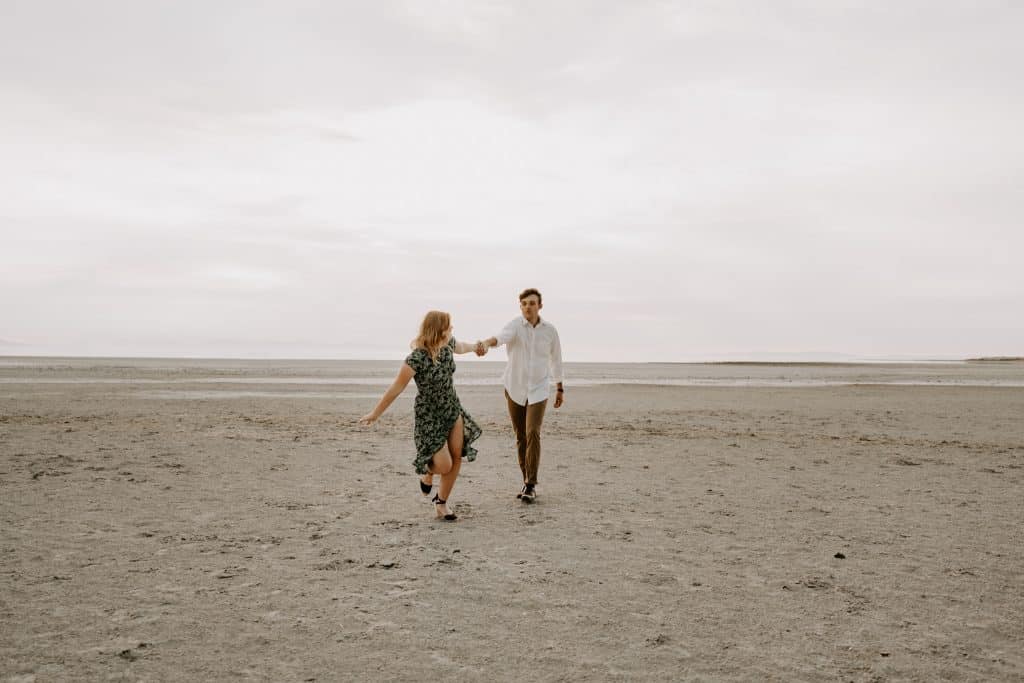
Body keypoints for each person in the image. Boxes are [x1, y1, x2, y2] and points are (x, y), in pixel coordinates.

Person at [359, 311, 482, 521]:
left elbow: (462, 347)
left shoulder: (449, 344)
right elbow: (396, 388)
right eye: (449, 326)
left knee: (456, 457)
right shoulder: (416, 358)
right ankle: (428, 470)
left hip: (452, 409)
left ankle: (441, 503)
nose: (451, 330)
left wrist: (477, 346)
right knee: (444, 465)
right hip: (429, 415)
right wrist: (375, 413)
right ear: (438, 329)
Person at [476, 288, 563, 503]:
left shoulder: (550, 331)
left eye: (532, 303)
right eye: (524, 303)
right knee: (520, 436)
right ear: (520, 306)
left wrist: (560, 387)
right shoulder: (516, 325)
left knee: (533, 431)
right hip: (514, 387)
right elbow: (499, 338)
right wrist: (485, 344)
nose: (527, 307)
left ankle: (531, 484)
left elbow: (556, 360)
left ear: (540, 306)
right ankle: (526, 480)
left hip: (539, 389)